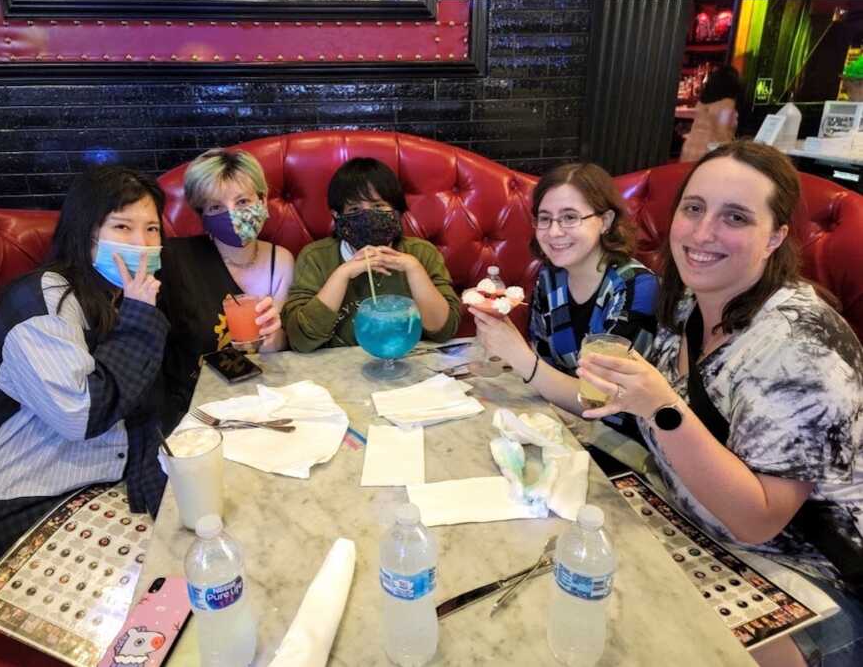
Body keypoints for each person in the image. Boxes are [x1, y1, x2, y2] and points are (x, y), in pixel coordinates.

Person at [578, 141, 863, 667]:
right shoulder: (687, 301)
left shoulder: (802, 343)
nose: (703, 233)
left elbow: (758, 522)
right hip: (694, 535)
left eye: (734, 217)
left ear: (775, 236)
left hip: (810, 581)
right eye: (694, 208)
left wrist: (660, 407)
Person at [0, 166, 170, 591]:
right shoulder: (43, 296)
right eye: (122, 226)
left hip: (100, 481)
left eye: (152, 229)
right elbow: (83, 414)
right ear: (85, 231)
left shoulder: (112, 295)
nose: (142, 244)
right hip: (21, 499)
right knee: (153, 588)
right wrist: (140, 318)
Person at [470, 163, 658, 440]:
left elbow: (604, 402)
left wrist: (519, 355)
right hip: (562, 422)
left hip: (623, 439)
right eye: (544, 219)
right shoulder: (551, 278)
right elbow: (546, 364)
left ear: (605, 221)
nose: (554, 232)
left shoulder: (635, 287)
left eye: (570, 217)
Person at [161, 148, 294, 432]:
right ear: (203, 216)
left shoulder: (280, 260)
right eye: (216, 207)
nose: (232, 215)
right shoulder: (176, 260)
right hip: (197, 408)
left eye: (243, 200)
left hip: (260, 400)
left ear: (263, 199)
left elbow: (275, 351)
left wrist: (273, 336)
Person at [283, 157, 460, 352]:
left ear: (396, 210)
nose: (368, 217)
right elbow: (300, 340)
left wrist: (414, 269)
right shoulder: (316, 257)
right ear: (337, 215)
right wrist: (341, 275)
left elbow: (444, 330)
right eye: (355, 209)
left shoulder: (421, 253)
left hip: (408, 365)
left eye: (378, 206)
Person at [680, 65, 742, 163]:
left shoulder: (702, 102)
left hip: (689, 149)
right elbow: (722, 133)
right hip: (707, 154)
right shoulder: (727, 105)